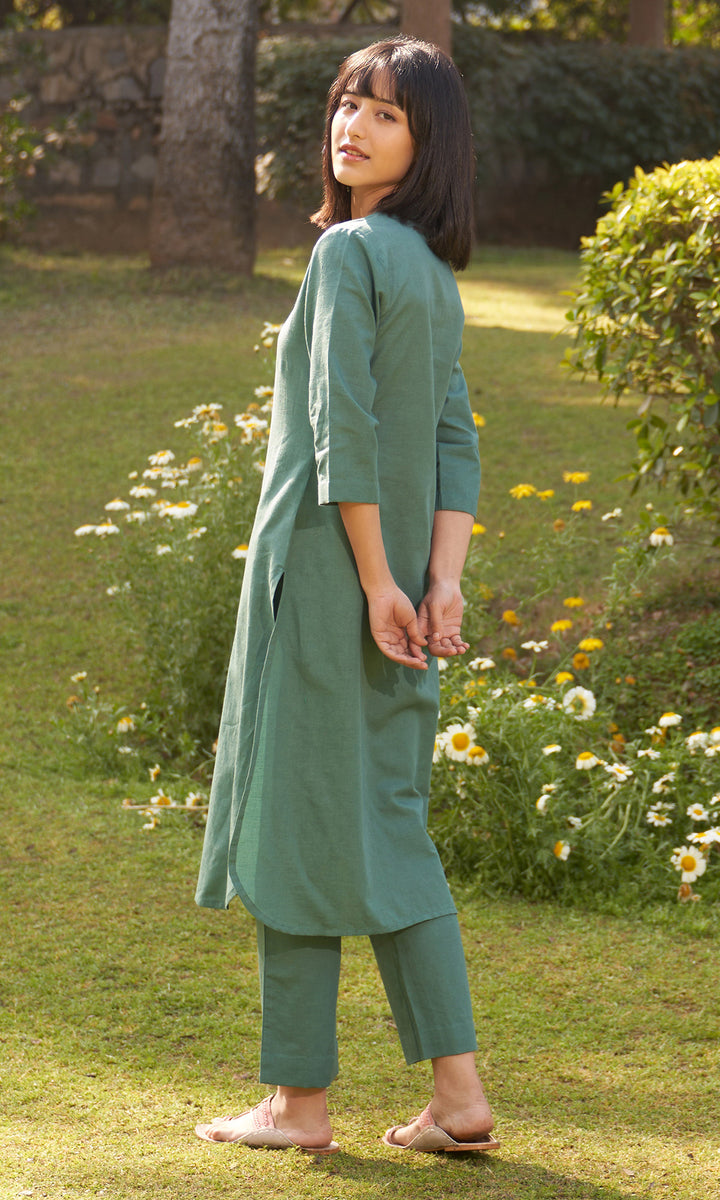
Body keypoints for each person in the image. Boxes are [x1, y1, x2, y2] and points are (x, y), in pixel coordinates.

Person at [194, 35, 499, 1156]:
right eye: (346, 104)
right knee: (389, 827)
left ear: (429, 143)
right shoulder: (430, 271)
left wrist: (376, 585)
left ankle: (297, 1104)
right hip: (402, 591)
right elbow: (457, 443)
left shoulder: (349, 253)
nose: (352, 127)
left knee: (292, 826)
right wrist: (439, 582)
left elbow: (342, 431)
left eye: (385, 114)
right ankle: (458, 1098)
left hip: (331, 584)